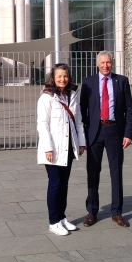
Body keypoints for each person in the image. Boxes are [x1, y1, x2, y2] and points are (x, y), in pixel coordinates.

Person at [80, 51, 132, 228]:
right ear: (97, 64)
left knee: (116, 172)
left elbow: (129, 109)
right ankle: (92, 211)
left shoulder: (122, 81)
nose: (105, 65)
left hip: (114, 131)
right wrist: (83, 137)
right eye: (102, 62)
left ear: (112, 63)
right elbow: (82, 112)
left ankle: (117, 212)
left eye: (108, 62)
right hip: (94, 132)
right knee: (93, 172)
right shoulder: (88, 83)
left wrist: (128, 133)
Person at [37, 63, 86, 236]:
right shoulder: (46, 97)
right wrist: (48, 148)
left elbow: (78, 121)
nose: (62, 79)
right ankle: (53, 221)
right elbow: (42, 125)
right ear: (53, 77)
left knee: (64, 184)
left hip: (69, 146)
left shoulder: (72, 95)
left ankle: (62, 217)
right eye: (59, 76)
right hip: (53, 148)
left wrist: (81, 143)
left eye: (65, 76)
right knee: (55, 183)